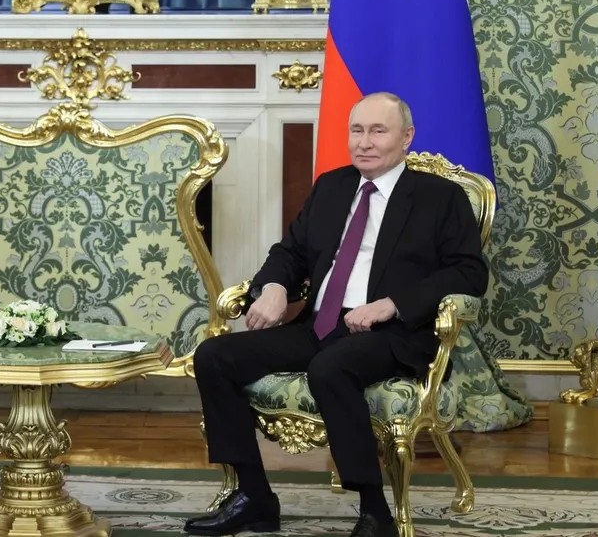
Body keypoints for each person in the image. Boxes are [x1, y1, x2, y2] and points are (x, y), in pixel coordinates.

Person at [186, 92, 488, 537]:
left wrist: (393, 303)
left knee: (331, 367)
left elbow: (469, 272)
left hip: (393, 333)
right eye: (356, 130)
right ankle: (254, 496)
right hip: (321, 325)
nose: (364, 142)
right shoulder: (332, 186)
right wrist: (273, 288)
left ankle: (375, 512)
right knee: (214, 356)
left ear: (407, 137)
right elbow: (290, 252)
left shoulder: (439, 197)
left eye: (378, 131)